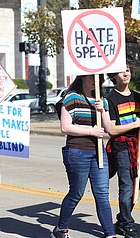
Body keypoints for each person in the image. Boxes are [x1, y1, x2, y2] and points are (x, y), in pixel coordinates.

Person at [51, 74, 116, 238]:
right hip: (77, 151)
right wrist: (90, 131)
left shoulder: (102, 100)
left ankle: (110, 233)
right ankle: (61, 228)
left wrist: (102, 110)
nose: (97, 81)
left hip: (98, 152)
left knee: (102, 194)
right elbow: (65, 127)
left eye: (100, 78)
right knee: (76, 193)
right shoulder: (72, 97)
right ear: (82, 78)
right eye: (93, 77)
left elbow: (109, 128)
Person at [106, 60, 140, 238]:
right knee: (126, 186)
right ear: (114, 76)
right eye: (122, 72)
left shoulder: (138, 96)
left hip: (137, 145)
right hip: (121, 146)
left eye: (128, 71)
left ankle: (122, 219)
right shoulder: (111, 99)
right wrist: (135, 123)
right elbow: (112, 129)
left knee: (134, 188)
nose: (126, 74)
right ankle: (127, 225)